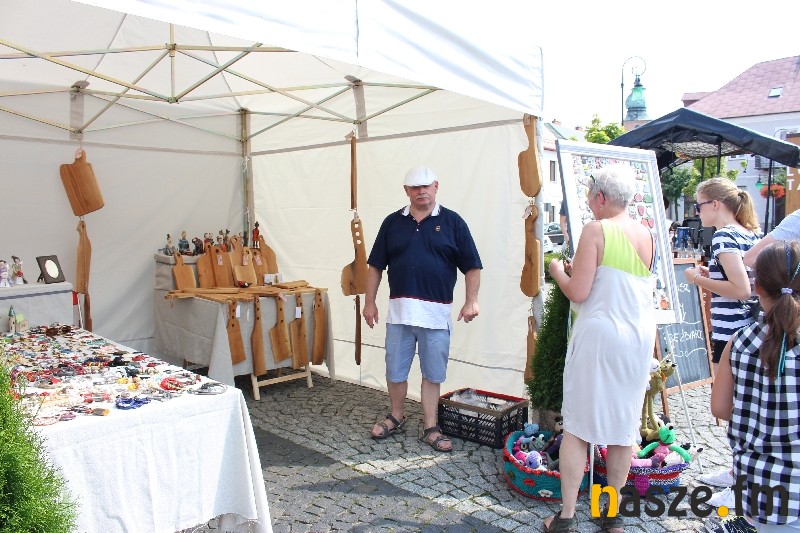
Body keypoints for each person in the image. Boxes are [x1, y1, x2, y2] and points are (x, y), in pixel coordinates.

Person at [544, 165, 655, 533]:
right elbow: (615, 280)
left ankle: (566, 516)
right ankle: (611, 514)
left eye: (591, 196)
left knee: (578, 426)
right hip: (637, 338)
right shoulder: (647, 234)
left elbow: (579, 292)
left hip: (601, 336)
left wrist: (558, 271)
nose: (589, 203)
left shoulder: (596, 229)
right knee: (623, 428)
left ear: (602, 198)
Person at [363, 166, 482, 453]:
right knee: (395, 371)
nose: (421, 192)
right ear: (406, 191)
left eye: (425, 186)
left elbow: (472, 265)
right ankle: (396, 416)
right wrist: (369, 302)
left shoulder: (453, 223)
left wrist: (471, 300)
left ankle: (431, 426)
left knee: (433, 374)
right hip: (399, 314)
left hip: (436, 316)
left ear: (436, 186)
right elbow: (375, 265)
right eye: (415, 187)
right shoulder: (392, 222)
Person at [705, 241, 800, 533]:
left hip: (754, 488)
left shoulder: (739, 341)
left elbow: (720, 408)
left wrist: (758, 416)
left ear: (757, 287)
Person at [682, 177, 760, 509]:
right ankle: (736, 473)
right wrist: (712, 274)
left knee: (732, 407)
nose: (697, 212)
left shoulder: (724, 236)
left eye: (699, 205)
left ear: (715, 204)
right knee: (746, 405)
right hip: (750, 330)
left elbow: (741, 289)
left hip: (730, 334)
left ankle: (740, 483)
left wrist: (697, 280)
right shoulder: (749, 233)